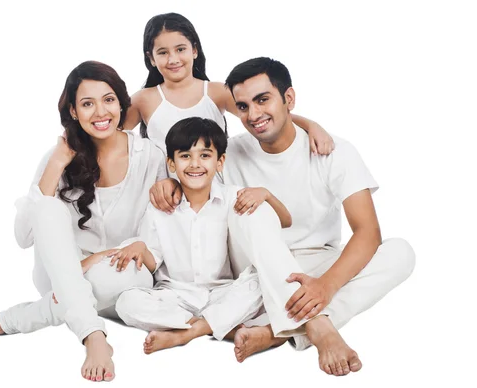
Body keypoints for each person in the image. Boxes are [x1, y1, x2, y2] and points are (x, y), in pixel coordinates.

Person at [151, 57, 416, 376]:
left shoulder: (333, 151)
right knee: (253, 203)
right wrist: (170, 181)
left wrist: (326, 286)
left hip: (317, 263)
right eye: (243, 106)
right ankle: (317, 327)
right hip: (251, 265)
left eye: (263, 100)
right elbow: (189, 158)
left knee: (401, 253)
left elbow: (367, 232)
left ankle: (277, 332)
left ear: (288, 99)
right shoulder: (229, 153)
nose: (254, 114)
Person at [0, 61, 168, 382]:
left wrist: (97, 259)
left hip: (122, 273)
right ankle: (94, 334)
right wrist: (55, 165)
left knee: (117, 282)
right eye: (87, 103)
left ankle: (10, 321)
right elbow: (24, 236)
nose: (100, 112)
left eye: (108, 100)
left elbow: (160, 233)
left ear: (121, 103)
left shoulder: (150, 156)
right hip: (61, 273)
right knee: (48, 209)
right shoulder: (59, 157)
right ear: (74, 112)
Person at [113, 117, 298, 354]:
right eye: (185, 156)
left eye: (205, 155)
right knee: (126, 303)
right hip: (175, 295)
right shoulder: (160, 207)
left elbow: (285, 221)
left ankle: (189, 332)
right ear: (171, 163)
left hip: (223, 291)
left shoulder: (233, 197)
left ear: (220, 162)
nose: (195, 164)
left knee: (260, 281)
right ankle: (220, 325)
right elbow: (153, 258)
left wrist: (267, 195)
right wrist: (140, 247)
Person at [123, 12, 334, 157]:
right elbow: (112, 137)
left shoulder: (216, 92)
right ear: (151, 58)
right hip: (166, 199)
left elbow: (260, 116)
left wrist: (312, 126)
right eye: (163, 53)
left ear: (194, 50)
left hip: (215, 192)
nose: (173, 59)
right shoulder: (144, 99)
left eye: (180, 49)